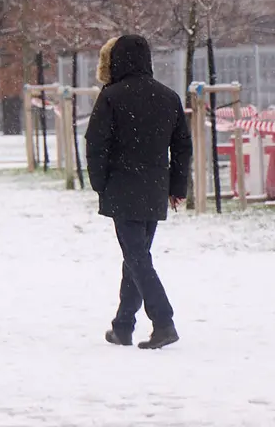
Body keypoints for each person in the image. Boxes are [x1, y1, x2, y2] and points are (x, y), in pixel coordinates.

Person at [85, 34, 192, 351]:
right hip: (155, 188)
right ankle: (123, 326)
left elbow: (96, 144)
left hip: (122, 187)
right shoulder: (168, 97)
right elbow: (182, 147)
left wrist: (99, 183)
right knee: (135, 258)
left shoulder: (111, 97)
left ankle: (163, 321)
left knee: (137, 258)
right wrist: (177, 187)